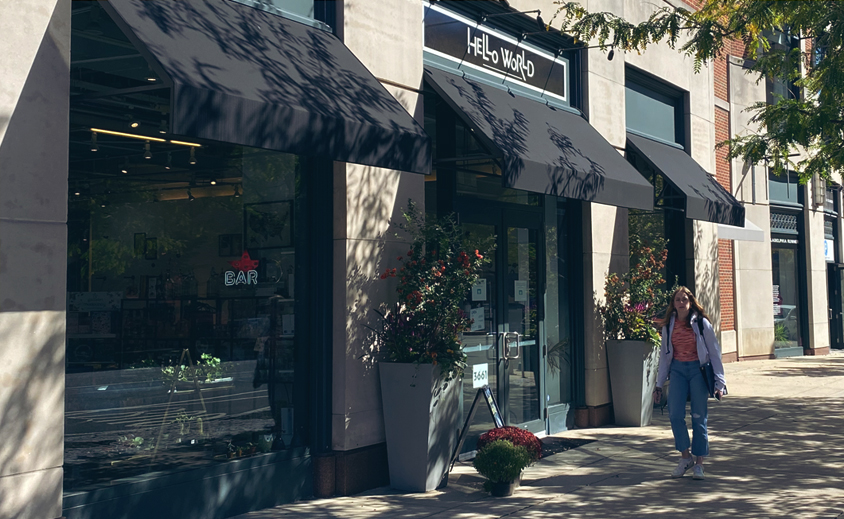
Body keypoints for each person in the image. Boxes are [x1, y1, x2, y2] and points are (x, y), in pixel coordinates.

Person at [652, 286, 726, 480]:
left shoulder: (701, 323)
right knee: (675, 415)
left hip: (698, 371)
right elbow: (664, 358)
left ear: (691, 302)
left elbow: (714, 353)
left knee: (698, 416)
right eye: (677, 299)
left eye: (684, 299)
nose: (681, 302)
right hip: (677, 370)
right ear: (673, 304)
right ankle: (685, 457)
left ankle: (699, 463)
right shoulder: (669, 326)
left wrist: (720, 382)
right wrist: (659, 384)